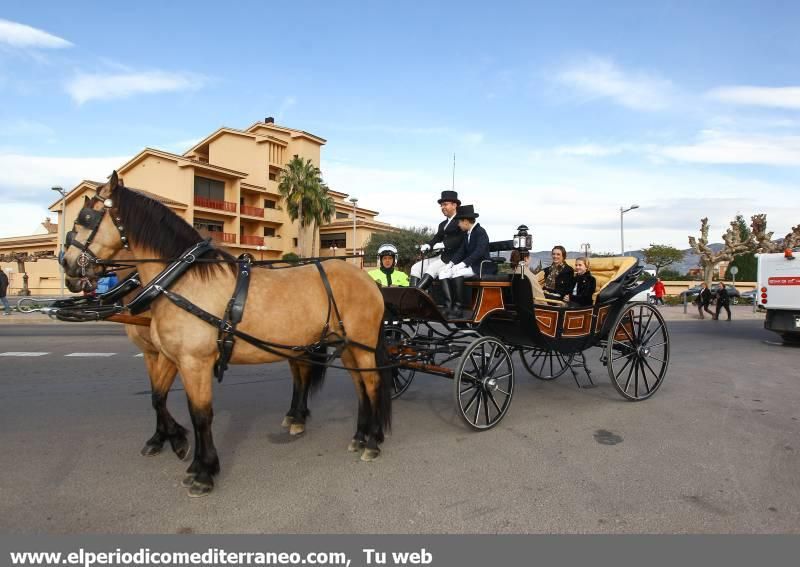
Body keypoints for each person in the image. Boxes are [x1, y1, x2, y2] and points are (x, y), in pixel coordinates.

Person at [438, 204, 490, 318]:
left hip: (480, 266)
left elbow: (479, 252)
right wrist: (451, 264)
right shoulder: (467, 234)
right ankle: (448, 306)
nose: (458, 224)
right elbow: (461, 252)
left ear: (466, 221)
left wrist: (462, 264)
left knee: (457, 272)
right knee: (443, 273)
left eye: (459, 222)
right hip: (469, 266)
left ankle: (458, 308)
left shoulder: (481, 232)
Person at [409, 190, 465, 295]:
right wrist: (429, 245)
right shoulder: (442, 224)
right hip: (442, 257)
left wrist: (444, 244)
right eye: (441, 205)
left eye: (445, 204)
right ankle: (413, 296)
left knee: (432, 268)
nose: (442, 207)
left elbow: (461, 238)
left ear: (454, 205)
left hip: (455, 258)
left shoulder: (461, 220)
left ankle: (414, 297)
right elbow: (437, 238)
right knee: (415, 268)